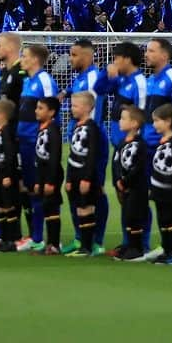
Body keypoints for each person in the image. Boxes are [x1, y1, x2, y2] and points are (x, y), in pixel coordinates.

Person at [65, 38, 109, 252]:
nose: (71, 59)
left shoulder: (93, 77)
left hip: (92, 142)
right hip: (79, 140)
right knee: (75, 190)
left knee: (95, 190)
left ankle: (96, 240)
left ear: (87, 55)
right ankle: (80, 237)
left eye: (74, 55)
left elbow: (93, 112)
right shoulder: (80, 78)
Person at [15, 43, 57, 250]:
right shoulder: (27, 81)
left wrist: (45, 140)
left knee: (38, 189)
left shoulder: (44, 81)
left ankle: (42, 238)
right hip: (23, 142)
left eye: (25, 56)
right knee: (28, 188)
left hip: (36, 143)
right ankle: (34, 235)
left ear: (35, 60)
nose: (21, 59)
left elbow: (51, 111)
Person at [64, 90, 103, 257]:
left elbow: (92, 155)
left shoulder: (91, 128)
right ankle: (83, 245)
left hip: (86, 177)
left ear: (87, 108)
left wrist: (86, 178)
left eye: (75, 106)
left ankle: (87, 247)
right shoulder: (77, 127)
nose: (72, 109)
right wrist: (69, 178)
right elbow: (73, 155)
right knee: (79, 209)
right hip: (75, 175)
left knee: (86, 209)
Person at [147, 103, 172, 265]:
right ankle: (166, 249)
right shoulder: (163, 142)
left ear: (168, 121)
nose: (154, 124)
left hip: (169, 190)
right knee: (162, 219)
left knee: (170, 220)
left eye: (157, 121)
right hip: (159, 189)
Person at [111, 104, 148, 261]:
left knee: (134, 216)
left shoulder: (140, 144)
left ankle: (137, 247)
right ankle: (129, 245)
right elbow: (116, 163)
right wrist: (117, 181)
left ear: (134, 123)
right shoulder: (121, 142)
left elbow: (138, 167)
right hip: (124, 186)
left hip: (136, 187)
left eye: (124, 118)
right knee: (127, 215)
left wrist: (126, 181)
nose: (120, 121)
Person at [0, 98, 22, 252]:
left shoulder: (7, 132)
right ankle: (3, 238)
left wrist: (9, 174)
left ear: (1, 115)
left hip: (5, 175)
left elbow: (11, 155)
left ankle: (12, 239)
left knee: (8, 206)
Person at [29, 95, 63, 255]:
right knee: (46, 207)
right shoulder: (41, 128)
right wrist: (38, 180)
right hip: (42, 174)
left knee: (52, 208)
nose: (36, 111)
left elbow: (54, 156)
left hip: (52, 174)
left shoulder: (53, 130)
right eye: (37, 107)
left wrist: (50, 181)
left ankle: (54, 244)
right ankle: (49, 243)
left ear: (51, 112)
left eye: (41, 108)